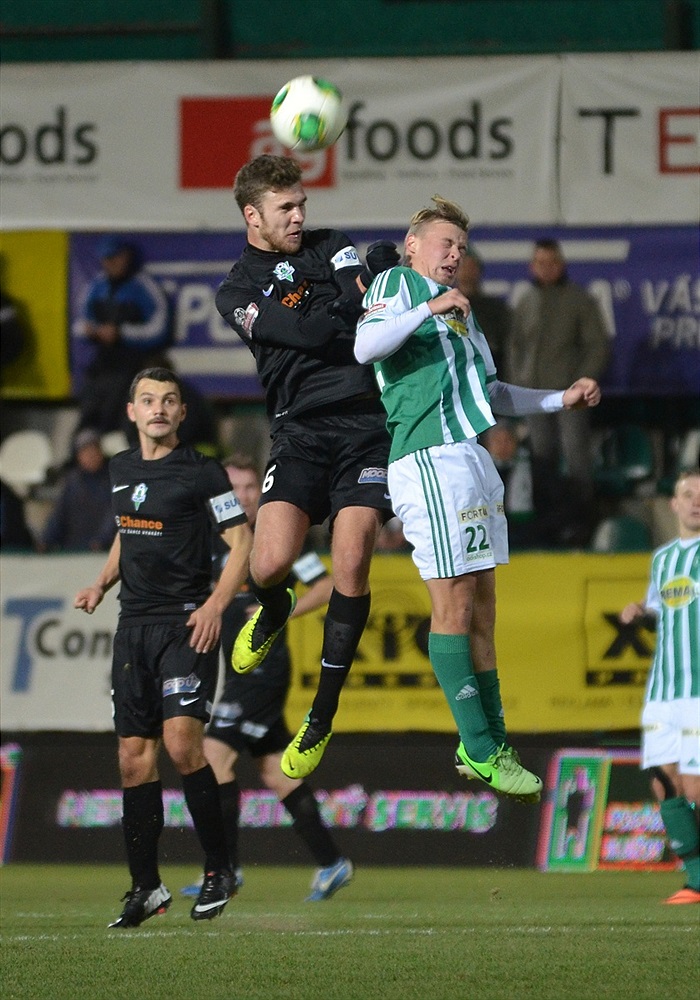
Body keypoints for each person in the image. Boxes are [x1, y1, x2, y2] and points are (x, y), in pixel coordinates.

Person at [355, 196, 601, 800]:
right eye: (444, 244)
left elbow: (489, 392)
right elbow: (366, 347)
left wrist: (557, 399)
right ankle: (481, 747)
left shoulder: (461, 314)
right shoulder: (397, 284)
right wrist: (430, 305)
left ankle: (490, 740)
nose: (454, 255)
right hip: (429, 457)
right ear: (413, 245)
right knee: (456, 606)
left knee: (485, 607)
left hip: (472, 458)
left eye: (461, 248)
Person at [215, 154, 398, 779]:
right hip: (297, 430)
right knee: (267, 565)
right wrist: (348, 306)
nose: (298, 217)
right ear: (252, 216)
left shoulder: (332, 244)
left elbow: (371, 302)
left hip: (366, 426)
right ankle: (272, 607)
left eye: (301, 206)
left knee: (350, 562)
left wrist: (363, 290)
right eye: (285, 209)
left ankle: (320, 718)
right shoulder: (235, 291)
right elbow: (313, 332)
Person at [74, 366, 253, 928]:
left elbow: (241, 539)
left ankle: (218, 869)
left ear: (180, 413)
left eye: (169, 400)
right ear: (131, 412)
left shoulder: (202, 472)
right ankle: (145, 887)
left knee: (181, 745)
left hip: (185, 623)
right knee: (133, 759)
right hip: (134, 628)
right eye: (147, 400)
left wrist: (214, 606)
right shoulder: (122, 469)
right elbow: (127, 534)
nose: (158, 408)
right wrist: (102, 582)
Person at [181, 453, 353, 902]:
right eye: (234, 490)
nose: (243, 497)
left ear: (261, 492)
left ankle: (226, 871)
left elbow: (329, 584)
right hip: (238, 675)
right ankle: (332, 863)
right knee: (277, 773)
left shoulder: (285, 539)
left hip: (264, 673)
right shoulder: (218, 546)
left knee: (214, 759)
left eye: (250, 489)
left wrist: (282, 609)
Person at [620, 467, 700, 905]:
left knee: (694, 789)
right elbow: (662, 604)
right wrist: (640, 609)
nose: (695, 502)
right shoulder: (664, 558)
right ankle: (695, 881)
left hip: (698, 691)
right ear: (674, 503)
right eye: (687, 494)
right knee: (663, 783)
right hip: (662, 693)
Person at [508, 238, 609, 546]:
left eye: (552, 262)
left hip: (570, 397)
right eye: (540, 263)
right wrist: (515, 385)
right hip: (534, 397)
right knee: (541, 461)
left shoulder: (579, 300)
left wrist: (583, 381)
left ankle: (582, 528)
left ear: (562, 265)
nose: (546, 268)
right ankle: (545, 528)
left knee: (577, 460)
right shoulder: (526, 302)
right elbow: (515, 348)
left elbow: (597, 345)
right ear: (532, 266)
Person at [76, 236, 171, 435]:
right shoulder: (97, 286)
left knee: (123, 415)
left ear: (125, 256)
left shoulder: (144, 286)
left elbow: (159, 328)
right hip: (103, 363)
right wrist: (92, 331)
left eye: (113, 258)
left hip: (134, 364)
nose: (109, 263)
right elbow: (80, 322)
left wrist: (121, 333)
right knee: (90, 412)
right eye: (105, 259)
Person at [39, 428, 115, 552]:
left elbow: (114, 515)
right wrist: (46, 540)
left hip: (103, 551)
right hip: (72, 549)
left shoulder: (115, 479)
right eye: (85, 451)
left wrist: (101, 541)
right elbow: (59, 514)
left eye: (93, 450)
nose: (90, 456)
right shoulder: (72, 482)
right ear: (78, 456)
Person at [454, 244, 511, 376]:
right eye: (463, 267)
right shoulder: (445, 308)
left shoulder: (497, 309)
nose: (467, 272)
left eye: (471, 267)